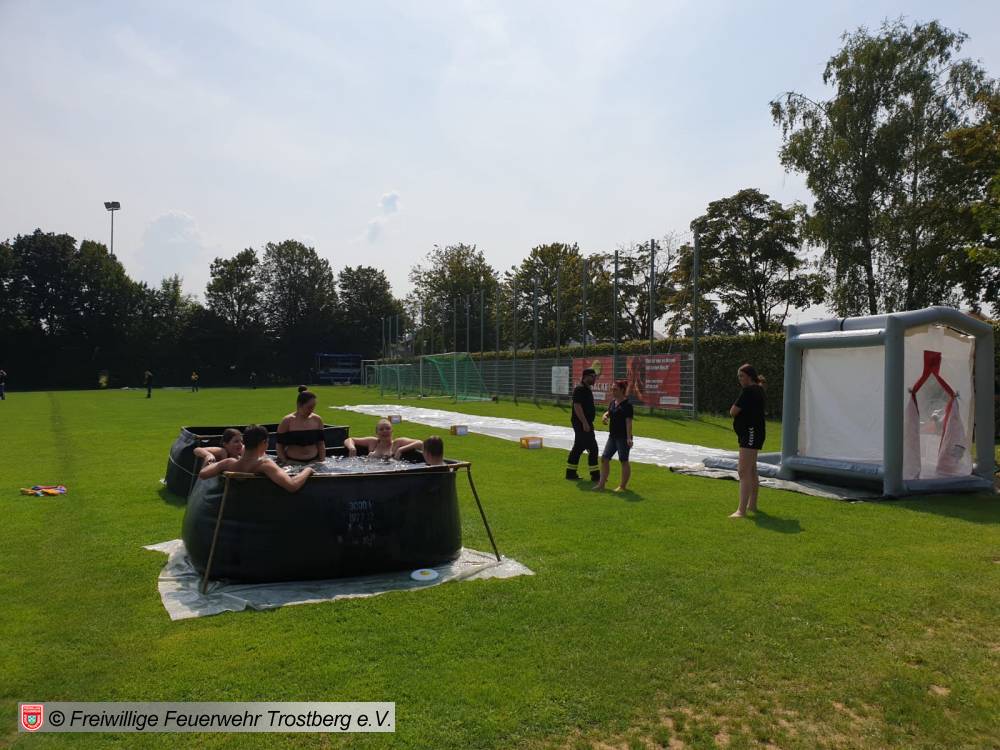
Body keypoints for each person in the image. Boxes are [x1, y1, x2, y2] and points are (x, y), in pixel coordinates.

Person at [199, 424, 314, 492]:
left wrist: (208, 456)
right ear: (263, 443)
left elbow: (203, 474)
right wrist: (308, 470)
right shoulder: (264, 464)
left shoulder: (228, 463)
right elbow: (292, 486)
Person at [729, 363, 766, 518]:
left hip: (750, 433)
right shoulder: (759, 389)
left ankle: (741, 510)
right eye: (738, 376)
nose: (740, 379)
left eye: (742, 376)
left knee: (743, 470)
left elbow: (733, 411)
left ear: (749, 376)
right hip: (754, 433)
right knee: (751, 470)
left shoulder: (749, 391)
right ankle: (752, 505)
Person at [594, 380, 634, 492]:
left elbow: (628, 422)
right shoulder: (613, 402)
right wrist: (604, 416)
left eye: (615, 389)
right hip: (612, 436)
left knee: (623, 460)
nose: (612, 391)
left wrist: (628, 438)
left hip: (623, 437)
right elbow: (609, 412)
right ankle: (601, 484)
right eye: (612, 389)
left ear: (622, 390)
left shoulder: (627, 405)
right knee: (604, 458)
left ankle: (622, 486)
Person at [566, 368, 600, 481]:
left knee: (579, 447)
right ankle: (595, 475)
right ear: (586, 376)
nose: (595, 379)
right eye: (593, 376)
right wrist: (584, 423)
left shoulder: (586, 389)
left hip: (585, 423)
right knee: (593, 448)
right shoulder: (580, 389)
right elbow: (577, 406)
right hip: (581, 423)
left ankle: (570, 473)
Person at [276, 390, 326, 462]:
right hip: (292, 462)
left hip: (314, 461)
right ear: (299, 405)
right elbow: (279, 445)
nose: (312, 410)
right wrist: (284, 461)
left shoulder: (317, 420)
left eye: (313, 407)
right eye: (309, 407)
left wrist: (322, 461)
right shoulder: (287, 421)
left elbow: (321, 443)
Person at [344, 418, 422, 460]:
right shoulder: (373, 442)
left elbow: (420, 443)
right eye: (381, 429)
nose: (385, 431)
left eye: (388, 428)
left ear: (392, 431)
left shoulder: (398, 443)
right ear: (377, 433)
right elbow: (349, 439)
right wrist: (352, 449)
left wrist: (400, 450)